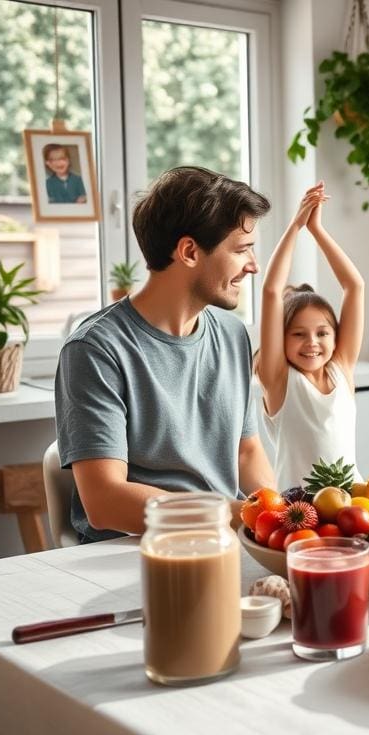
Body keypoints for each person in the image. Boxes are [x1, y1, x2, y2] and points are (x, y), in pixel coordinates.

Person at [55, 166, 277, 542]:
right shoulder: (95, 349)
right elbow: (105, 500)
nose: (253, 266)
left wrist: (276, 515)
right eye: (241, 250)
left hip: (221, 539)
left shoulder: (233, 333)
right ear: (189, 251)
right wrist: (241, 516)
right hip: (135, 551)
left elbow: (246, 452)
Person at [255, 182, 365, 490]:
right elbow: (271, 291)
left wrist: (317, 230)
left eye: (322, 333)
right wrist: (295, 226)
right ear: (282, 338)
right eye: (299, 334)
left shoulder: (341, 370)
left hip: (354, 505)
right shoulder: (278, 380)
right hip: (299, 514)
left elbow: (354, 287)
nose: (312, 342)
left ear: (335, 336)